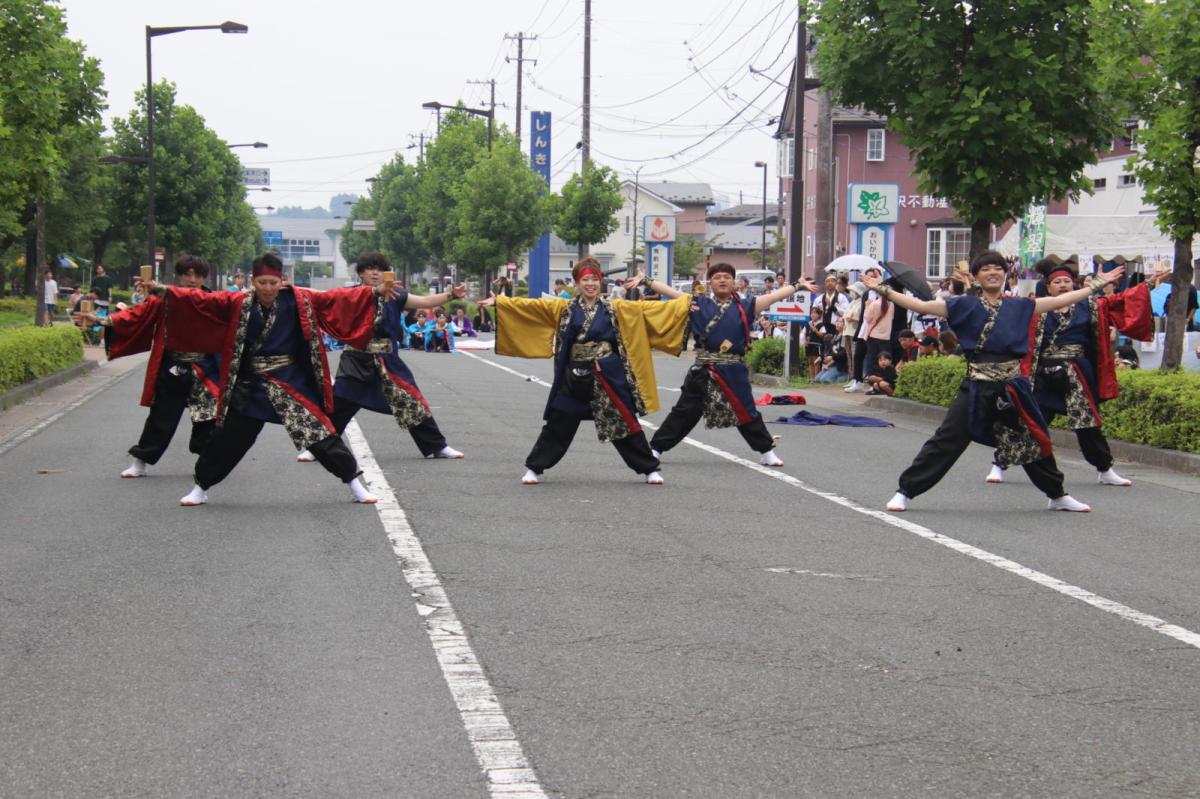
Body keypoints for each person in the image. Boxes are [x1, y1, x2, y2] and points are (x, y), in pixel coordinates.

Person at [861, 250, 1127, 513]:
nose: (992, 273)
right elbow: (921, 305)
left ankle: (1057, 495)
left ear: (1005, 273)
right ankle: (905, 491)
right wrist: (884, 290)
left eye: (997, 268)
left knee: (1034, 440)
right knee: (947, 440)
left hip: (1012, 387)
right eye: (986, 269)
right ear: (976, 277)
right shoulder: (963, 305)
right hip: (977, 384)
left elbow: (1065, 299)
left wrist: (1096, 285)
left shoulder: (1020, 305)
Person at [131, 253, 385, 506]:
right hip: (251, 384)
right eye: (262, 282)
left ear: (282, 280)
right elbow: (199, 300)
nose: (268, 288)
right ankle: (201, 486)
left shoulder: (299, 299)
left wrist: (375, 291)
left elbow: (337, 298)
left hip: (289, 382)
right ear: (253, 281)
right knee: (228, 438)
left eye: (273, 283)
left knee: (318, 432)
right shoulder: (238, 301)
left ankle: (354, 484)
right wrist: (162, 289)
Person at [477, 256, 692, 485]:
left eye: (595, 279)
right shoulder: (564, 307)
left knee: (624, 421)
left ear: (601, 282)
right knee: (560, 420)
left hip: (609, 373)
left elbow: (652, 310)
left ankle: (649, 469)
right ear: (577, 283)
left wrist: (682, 306)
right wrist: (501, 302)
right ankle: (535, 467)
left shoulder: (617, 308)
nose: (590, 284)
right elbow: (532, 306)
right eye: (585, 280)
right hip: (575, 374)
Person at [985, 257, 1153, 487]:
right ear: (1049, 287)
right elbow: (1002, 307)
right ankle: (999, 464)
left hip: (1076, 372)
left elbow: (1122, 301)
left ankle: (1105, 469)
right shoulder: (1035, 307)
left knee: (1087, 423)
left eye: (1066, 281)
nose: (1063, 285)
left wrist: (1148, 285)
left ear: (1074, 285)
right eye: (1057, 282)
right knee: (1029, 420)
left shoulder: (1089, 305)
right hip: (1042, 373)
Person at [636, 262, 820, 467]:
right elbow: (670, 292)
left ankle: (766, 451)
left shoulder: (747, 306)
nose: (722, 280)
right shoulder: (697, 303)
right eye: (717, 277)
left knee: (745, 410)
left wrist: (797, 285)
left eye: (727, 277)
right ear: (710, 283)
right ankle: (656, 448)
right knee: (685, 411)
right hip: (704, 369)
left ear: (734, 282)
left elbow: (774, 297)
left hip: (733, 369)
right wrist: (646, 280)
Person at [296, 252, 465, 465]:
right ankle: (318, 448)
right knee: (340, 402)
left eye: (380, 269)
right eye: (369, 269)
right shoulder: (351, 294)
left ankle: (437, 446)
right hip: (356, 358)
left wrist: (453, 295)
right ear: (360, 273)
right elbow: (320, 297)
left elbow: (425, 300)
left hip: (387, 358)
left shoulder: (396, 295)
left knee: (411, 401)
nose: (375, 273)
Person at [80, 255, 222, 479]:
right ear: (179, 276)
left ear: (205, 277)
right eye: (187, 274)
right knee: (161, 416)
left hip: (205, 368)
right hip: (173, 365)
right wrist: (100, 320)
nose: (192, 279)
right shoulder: (164, 299)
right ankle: (141, 461)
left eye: (197, 275)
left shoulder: (214, 300)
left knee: (207, 419)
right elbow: (134, 315)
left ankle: (208, 463)